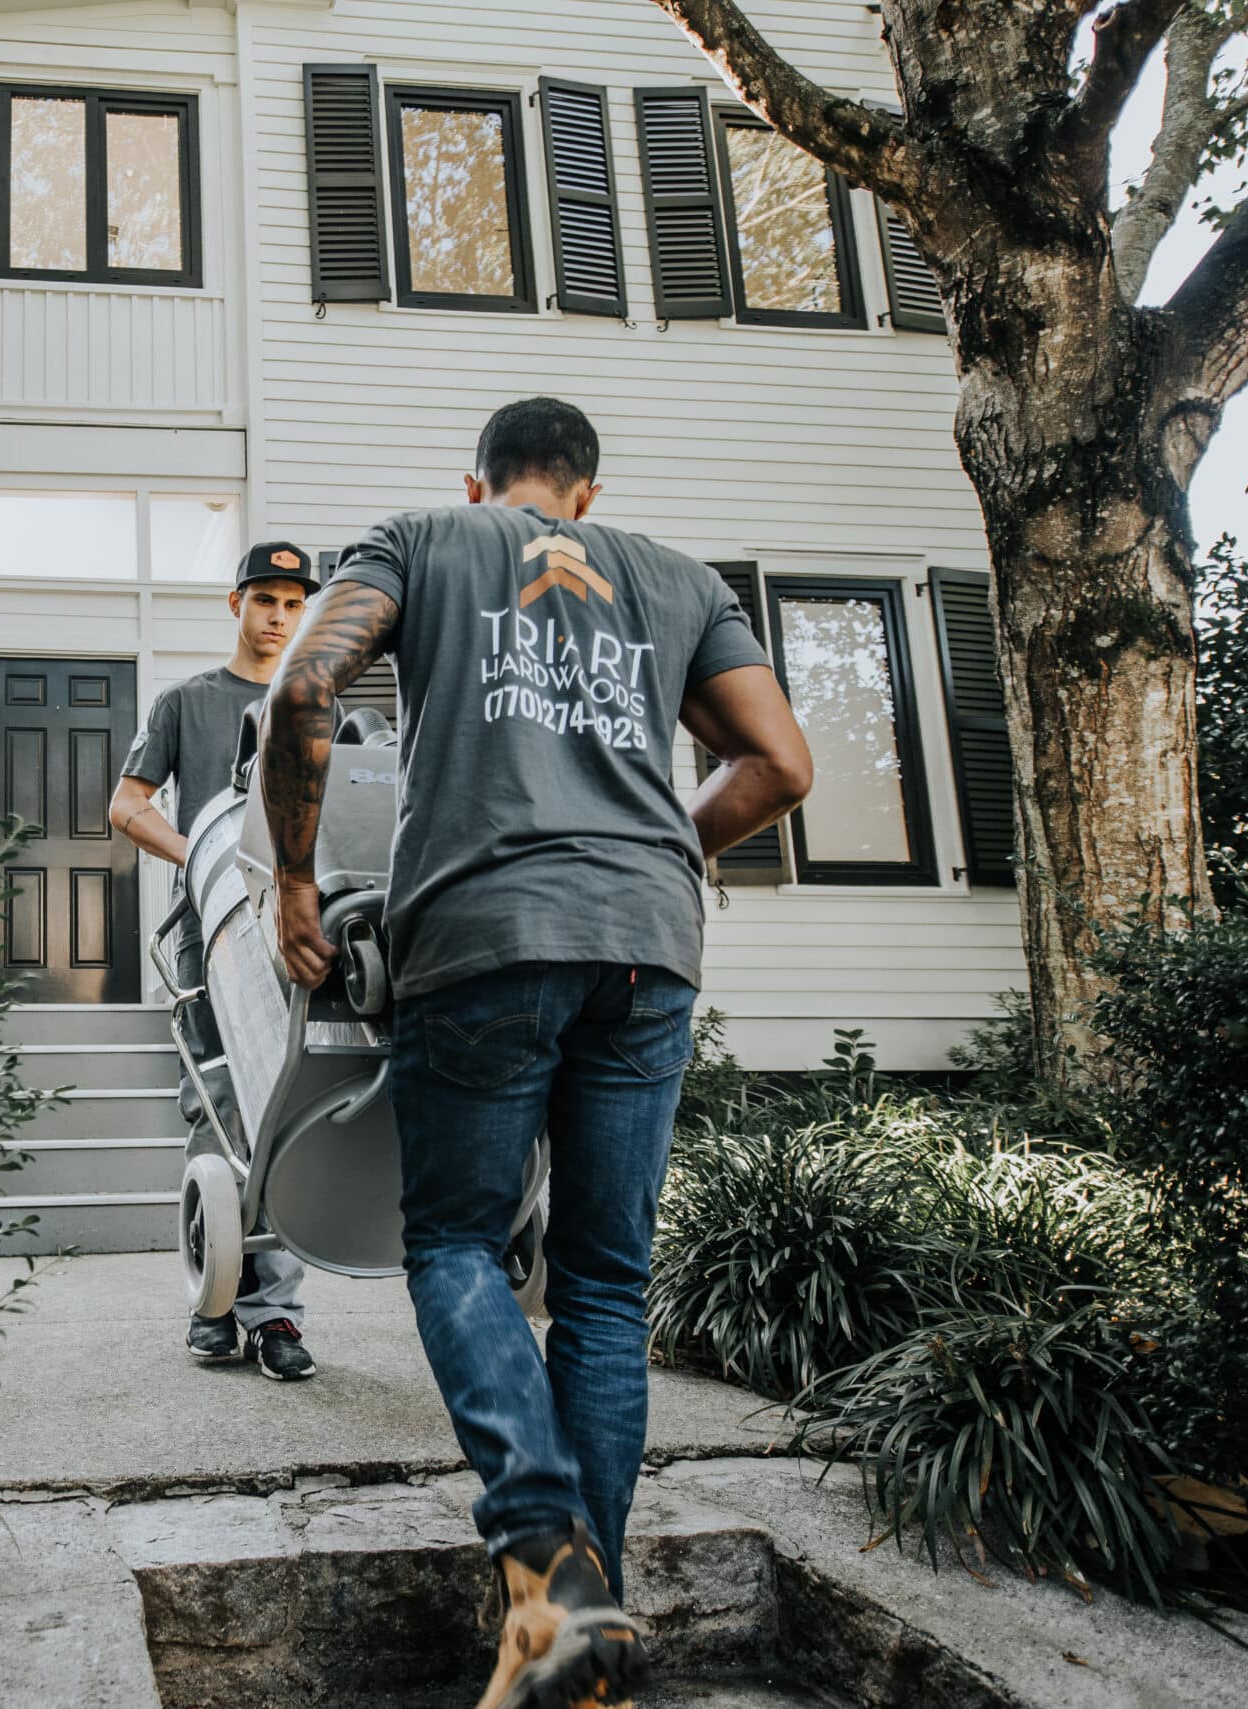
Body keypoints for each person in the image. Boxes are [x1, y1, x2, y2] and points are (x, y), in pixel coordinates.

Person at [255, 399, 812, 1709]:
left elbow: (307, 685)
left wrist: (291, 879)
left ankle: (539, 1548)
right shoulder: (678, 581)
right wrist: (653, 848)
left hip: (485, 929)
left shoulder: (421, 537)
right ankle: (574, 1631)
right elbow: (781, 764)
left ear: (479, 481)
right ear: (590, 489)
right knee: (607, 1282)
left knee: (453, 1239)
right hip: (650, 944)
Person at [108, 542, 323, 1382]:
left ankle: (277, 1318)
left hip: (296, 936)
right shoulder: (186, 704)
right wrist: (202, 851)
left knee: (289, 1110)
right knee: (219, 1107)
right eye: (264, 599)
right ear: (235, 603)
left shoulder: (313, 703)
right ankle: (216, 1301)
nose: (278, 616)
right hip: (210, 936)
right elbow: (127, 806)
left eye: (293, 603)